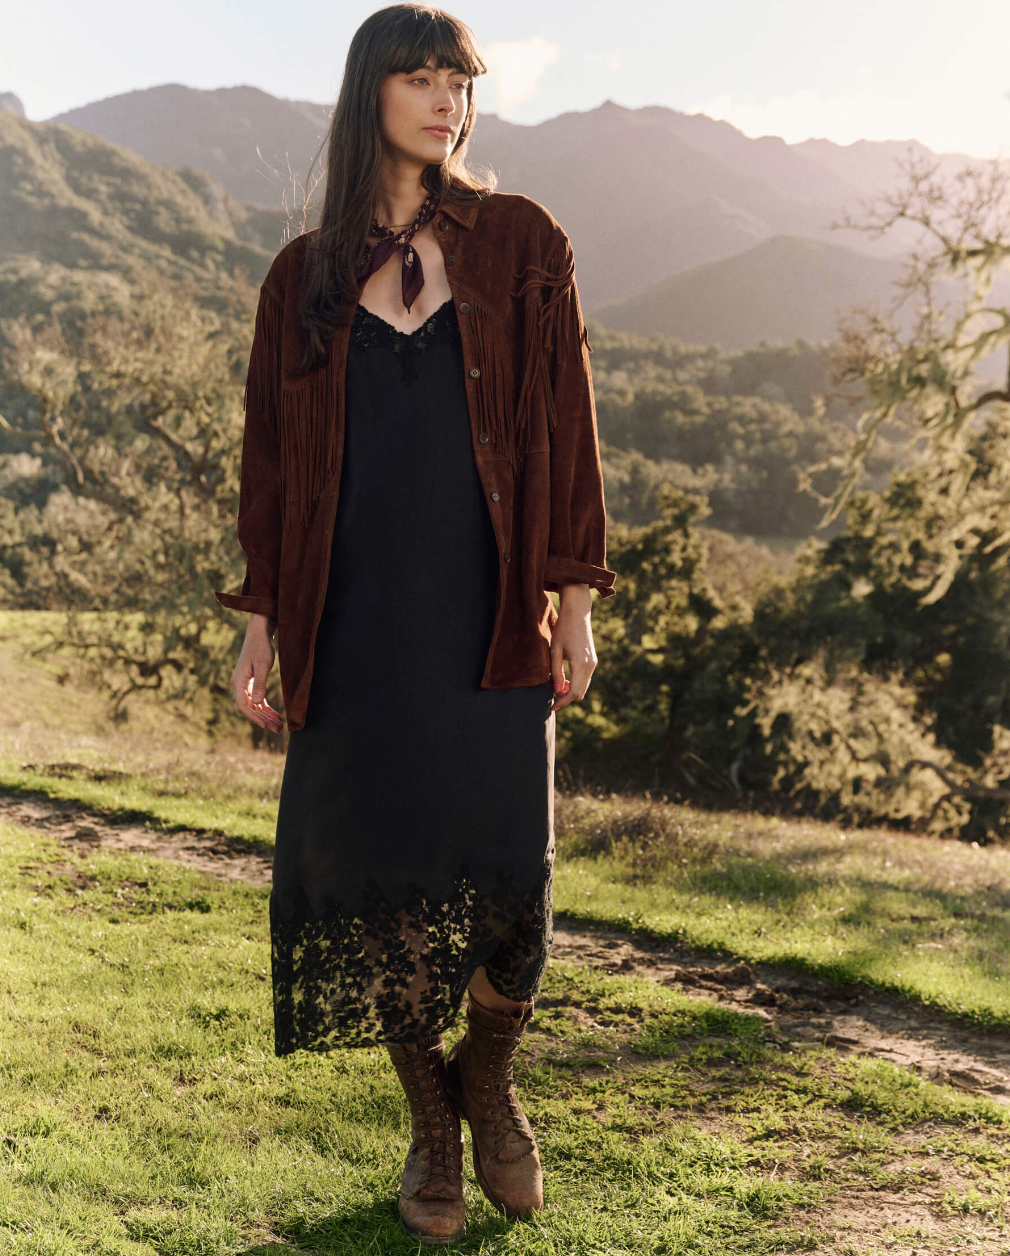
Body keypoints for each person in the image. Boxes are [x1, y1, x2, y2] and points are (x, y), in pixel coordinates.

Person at [215, 4, 616, 1245]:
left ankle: (485, 1074)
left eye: (461, 80)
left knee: (513, 891)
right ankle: (434, 1125)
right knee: (377, 882)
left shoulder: (519, 243)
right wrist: (260, 628)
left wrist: (575, 602)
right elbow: (272, 474)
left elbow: (567, 424)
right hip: (354, 625)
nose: (449, 101)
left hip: (489, 616)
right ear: (369, 93)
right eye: (422, 77)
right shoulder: (303, 277)